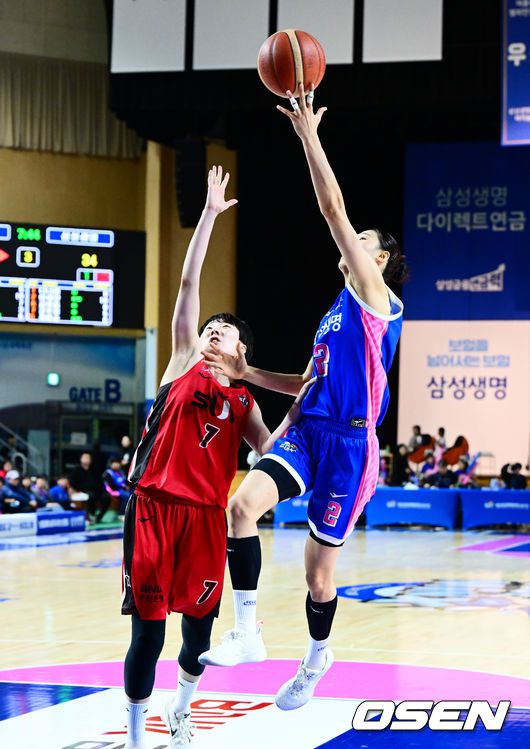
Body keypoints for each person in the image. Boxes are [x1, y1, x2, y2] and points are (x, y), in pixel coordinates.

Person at [199, 85, 406, 711]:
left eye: (363, 241)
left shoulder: (376, 301)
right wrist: (246, 371)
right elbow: (308, 383)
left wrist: (309, 136)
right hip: (309, 428)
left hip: (350, 447)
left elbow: (333, 209)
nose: (352, 243)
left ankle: (316, 659)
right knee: (241, 508)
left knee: (318, 576)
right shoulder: (335, 312)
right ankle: (247, 631)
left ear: (379, 258)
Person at [121, 166, 281, 749]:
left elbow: (272, 452)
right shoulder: (183, 361)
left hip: (207, 520)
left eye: (224, 330)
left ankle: (181, 710)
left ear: (242, 350)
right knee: (148, 635)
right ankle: (137, 736)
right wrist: (209, 215)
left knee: (198, 638)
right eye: (210, 326)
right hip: (153, 509)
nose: (213, 330)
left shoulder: (245, 401)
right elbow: (189, 282)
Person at [69, 452, 108, 523]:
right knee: (91, 496)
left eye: (88, 458)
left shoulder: (94, 470)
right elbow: (72, 483)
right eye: (84, 457)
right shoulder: (76, 470)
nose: (86, 459)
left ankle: (99, 516)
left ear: (90, 460)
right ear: (81, 459)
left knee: (106, 497)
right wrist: (73, 490)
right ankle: (92, 514)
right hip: (82, 491)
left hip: (96, 490)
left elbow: (100, 481)